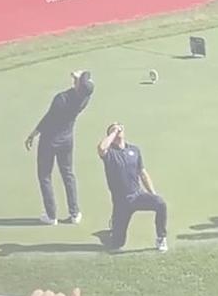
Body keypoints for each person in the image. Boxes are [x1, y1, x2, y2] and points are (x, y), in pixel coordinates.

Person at [25, 71, 95, 225]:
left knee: (45, 176)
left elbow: (48, 119)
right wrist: (78, 79)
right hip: (67, 140)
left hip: (49, 141)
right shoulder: (85, 97)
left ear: (78, 86)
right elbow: (81, 88)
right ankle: (74, 213)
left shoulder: (61, 99)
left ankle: (51, 216)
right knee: (68, 174)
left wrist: (33, 133)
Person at [97, 123, 169, 252]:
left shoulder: (134, 150)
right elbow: (101, 148)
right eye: (113, 129)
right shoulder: (110, 153)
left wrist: (152, 193)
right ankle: (112, 230)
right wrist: (113, 133)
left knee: (160, 203)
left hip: (137, 196)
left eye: (119, 128)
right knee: (117, 244)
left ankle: (161, 238)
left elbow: (142, 173)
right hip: (121, 202)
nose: (118, 130)